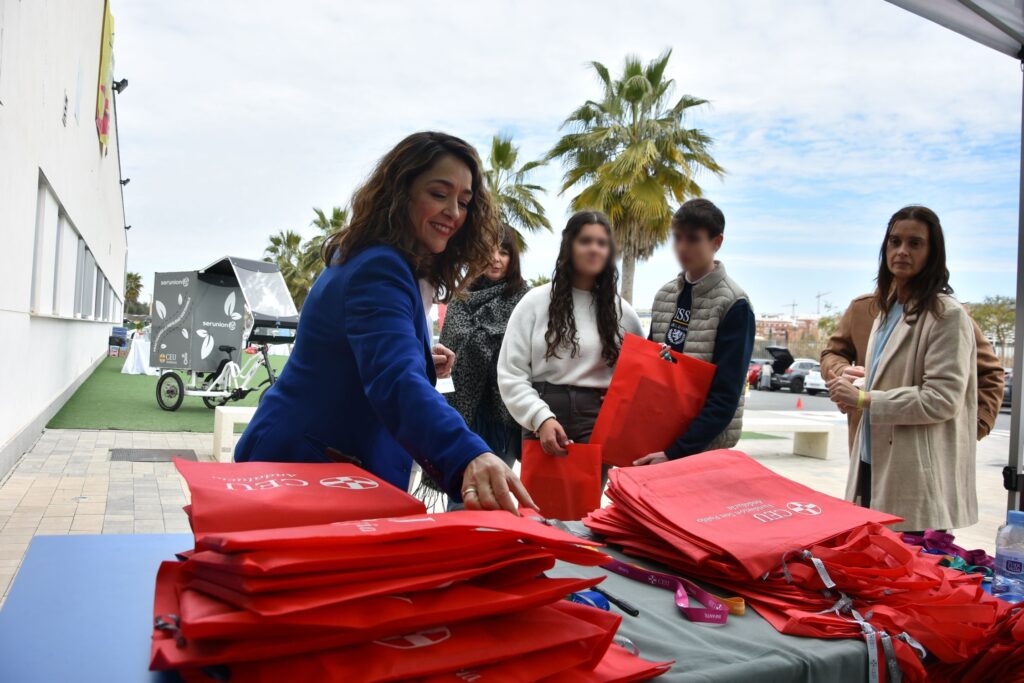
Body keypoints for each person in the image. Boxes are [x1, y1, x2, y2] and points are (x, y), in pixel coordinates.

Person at [234, 131, 536, 514]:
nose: (454, 213)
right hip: (305, 469)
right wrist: (469, 452)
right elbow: (394, 379)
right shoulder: (381, 266)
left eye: (463, 201)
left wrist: (422, 355)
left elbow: (370, 351)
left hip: (319, 464)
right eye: (439, 194)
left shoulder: (381, 259)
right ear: (400, 192)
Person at [827, 205, 977, 533]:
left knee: (906, 575)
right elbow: (895, 378)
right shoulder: (886, 309)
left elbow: (942, 398)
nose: (902, 251)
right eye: (895, 242)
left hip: (914, 478)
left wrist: (866, 399)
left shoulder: (947, 315)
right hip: (870, 463)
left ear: (933, 252)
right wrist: (856, 382)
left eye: (915, 243)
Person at [498, 211, 644, 455]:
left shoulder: (624, 314)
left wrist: (619, 402)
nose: (594, 249)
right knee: (538, 495)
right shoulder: (534, 302)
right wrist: (540, 418)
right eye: (585, 241)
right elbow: (511, 372)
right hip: (542, 417)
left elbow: (638, 377)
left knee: (588, 494)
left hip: (596, 423)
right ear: (569, 246)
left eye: (602, 243)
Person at [635, 199, 755, 466]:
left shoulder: (734, 304)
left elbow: (726, 395)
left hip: (704, 448)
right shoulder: (665, 295)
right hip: (660, 437)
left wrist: (677, 451)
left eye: (693, 239)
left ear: (717, 242)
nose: (682, 247)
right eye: (677, 238)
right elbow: (650, 367)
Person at [822, 294, 1003, 450]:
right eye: (892, 251)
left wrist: (974, 428)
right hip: (866, 441)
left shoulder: (947, 313)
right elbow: (832, 353)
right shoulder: (864, 308)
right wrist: (843, 371)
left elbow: (990, 373)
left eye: (913, 250)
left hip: (925, 444)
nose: (902, 253)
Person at [439, 226, 529, 465]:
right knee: (460, 494)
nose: (495, 259)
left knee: (497, 494)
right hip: (461, 415)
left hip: (505, 416)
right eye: (487, 250)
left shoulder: (526, 300)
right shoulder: (461, 297)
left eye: (503, 252)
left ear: (513, 258)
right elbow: (449, 346)